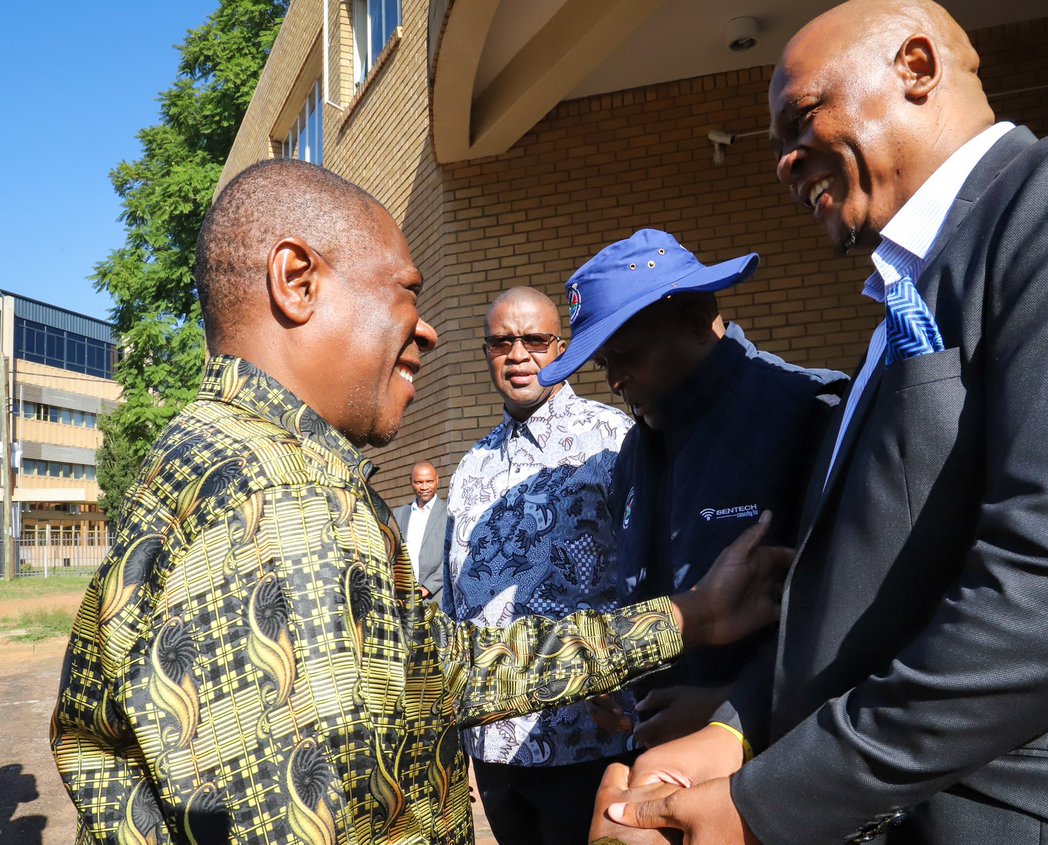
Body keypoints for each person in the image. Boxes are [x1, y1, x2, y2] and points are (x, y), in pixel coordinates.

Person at [48, 159, 792, 845]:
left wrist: (688, 616)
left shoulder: (249, 461)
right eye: (407, 292)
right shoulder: (279, 500)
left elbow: (436, 666)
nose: (429, 332)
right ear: (297, 280)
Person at [598, 1, 1048, 843]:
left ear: (916, 67)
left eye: (800, 118)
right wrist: (737, 727)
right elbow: (880, 594)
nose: (781, 164)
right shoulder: (900, 310)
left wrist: (769, 802)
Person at [537, 229, 846, 748]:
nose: (614, 381)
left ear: (699, 316)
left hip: (778, 763)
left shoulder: (811, 412)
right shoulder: (636, 450)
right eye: (603, 363)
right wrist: (623, 677)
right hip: (661, 762)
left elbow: (855, 611)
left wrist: (736, 706)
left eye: (628, 354)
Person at [443, 286, 637, 845]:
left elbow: (645, 574)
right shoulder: (472, 465)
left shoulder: (610, 440)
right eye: (502, 343)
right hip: (492, 743)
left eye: (535, 340)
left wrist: (632, 690)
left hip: (586, 735)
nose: (518, 354)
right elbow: (458, 604)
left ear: (561, 347)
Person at [393, 460, 447, 602]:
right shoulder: (398, 514)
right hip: (404, 598)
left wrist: (427, 588)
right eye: (419, 482)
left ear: (437, 480)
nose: (424, 487)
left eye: (429, 481)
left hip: (437, 597)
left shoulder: (449, 513)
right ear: (411, 482)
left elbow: (451, 557)